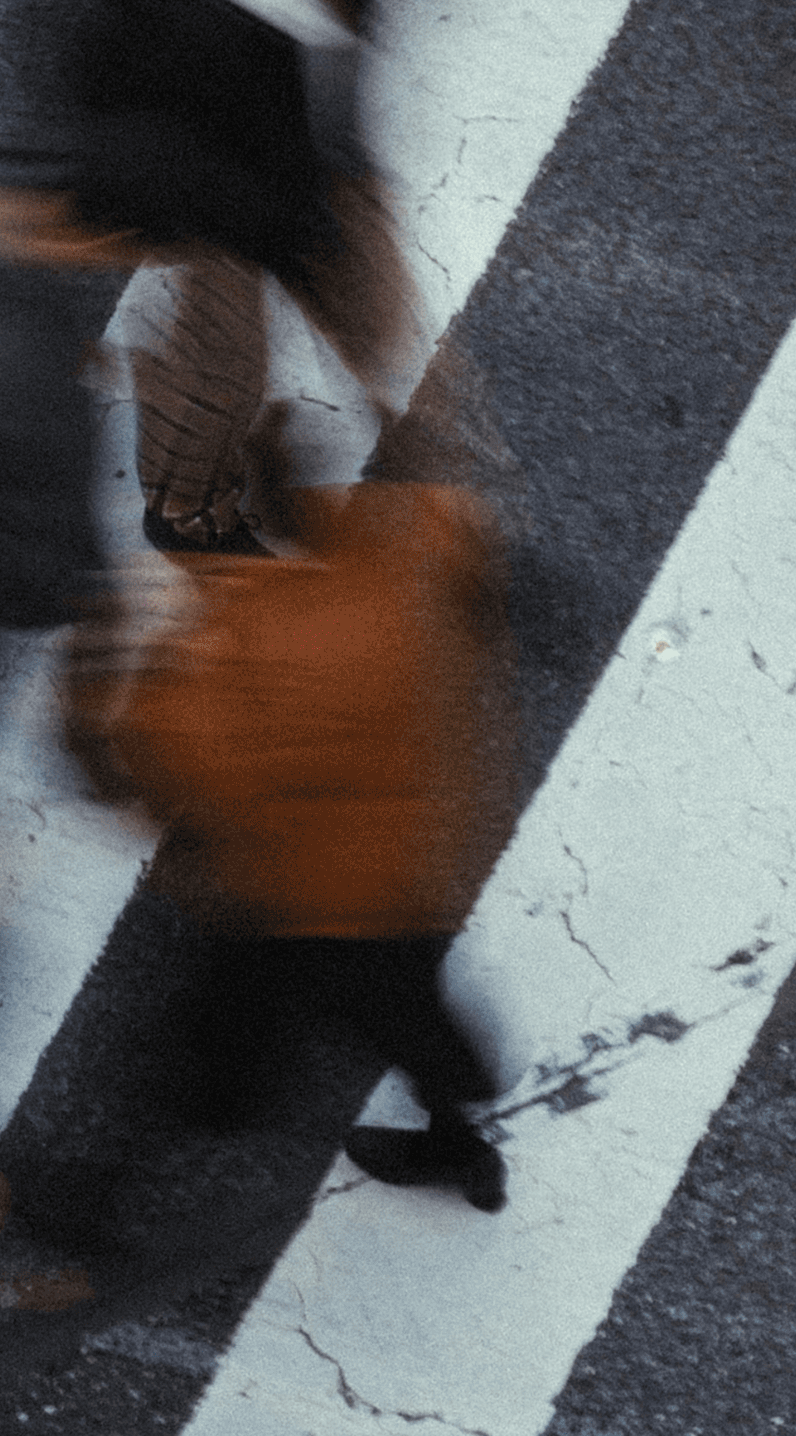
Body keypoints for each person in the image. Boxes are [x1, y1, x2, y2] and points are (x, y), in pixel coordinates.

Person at [90, 424, 519, 1205]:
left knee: (232, 1035)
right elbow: (462, 540)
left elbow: (154, 754)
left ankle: (150, 1164)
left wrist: (112, 660)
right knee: (405, 1004)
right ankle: (458, 1125)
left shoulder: (246, 640)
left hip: (303, 896)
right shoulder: (397, 571)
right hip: (414, 860)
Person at [53, 0, 420, 560]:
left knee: (368, 309)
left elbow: (338, 76)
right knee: (221, 365)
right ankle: (190, 509)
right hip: (207, 190)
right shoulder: (186, 35)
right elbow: (185, 178)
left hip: (271, 160)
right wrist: (304, 240)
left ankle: (379, 445)